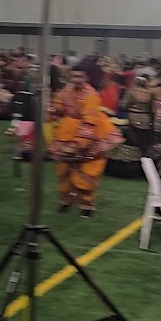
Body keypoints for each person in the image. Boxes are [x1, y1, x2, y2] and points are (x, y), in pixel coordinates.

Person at [48, 67, 122, 216]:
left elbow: (89, 120)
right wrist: (51, 109)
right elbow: (58, 109)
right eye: (74, 76)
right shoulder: (65, 91)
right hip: (66, 133)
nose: (76, 80)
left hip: (92, 134)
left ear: (85, 78)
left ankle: (87, 205)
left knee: (88, 170)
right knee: (64, 168)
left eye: (80, 77)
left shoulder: (91, 95)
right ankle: (66, 200)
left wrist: (80, 142)